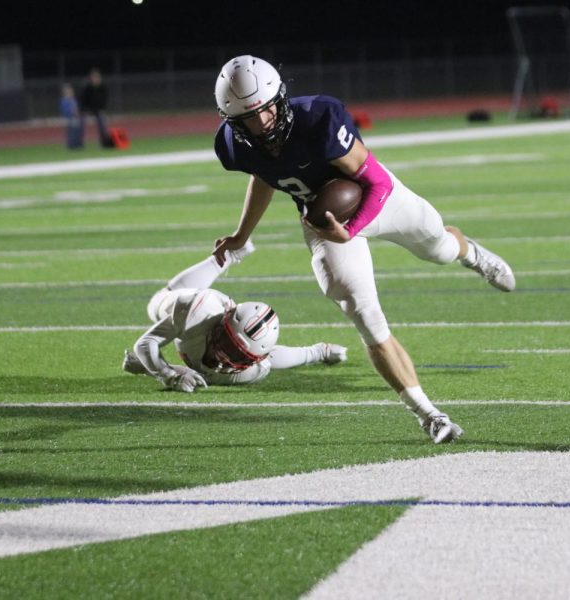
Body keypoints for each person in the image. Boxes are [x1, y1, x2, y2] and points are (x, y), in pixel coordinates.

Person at [210, 55, 516, 443]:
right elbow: (264, 176)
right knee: (364, 313)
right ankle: (428, 414)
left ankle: (470, 253)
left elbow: (376, 182)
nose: (263, 123)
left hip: (377, 200)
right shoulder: (233, 146)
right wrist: (241, 234)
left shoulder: (319, 118)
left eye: (267, 111)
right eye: (249, 119)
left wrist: (351, 229)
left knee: (439, 247)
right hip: (323, 223)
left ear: (280, 99)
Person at [122, 240, 348, 391]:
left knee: (269, 358)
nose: (224, 356)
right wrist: (166, 375)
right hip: (196, 308)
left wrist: (149, 368)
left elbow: (201, 374)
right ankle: (225, 257)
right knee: (159, 302)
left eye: (237, 355)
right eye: (227, 342)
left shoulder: (250, 371)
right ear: (223, 322)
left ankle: (318, 351)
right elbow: (145, 343)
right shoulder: (199, 311)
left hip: (221, 338)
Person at [79, 67, 113, 147]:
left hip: (98, 110)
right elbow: (83, 99)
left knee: (102, 124)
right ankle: (79, 143)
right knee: (81, 124)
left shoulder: (103, 87)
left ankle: (104, 143)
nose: (95, 79)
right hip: (87, 109)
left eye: (97, 77)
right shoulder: (87, 87)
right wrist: (83, 110)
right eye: (93, 77)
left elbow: (105, 99)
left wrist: (102, 109)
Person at [60, 83, 83, 150]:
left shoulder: (73, 100)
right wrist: (73, 113)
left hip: (75, 118)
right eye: (69, 92)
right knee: (71, 132)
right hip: (69, 118)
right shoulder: (65, 101)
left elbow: (76, 108)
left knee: (76, 131)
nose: (71, 93)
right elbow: (67, 110)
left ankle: (76, 144)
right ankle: (71, 145)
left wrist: (77, 113)